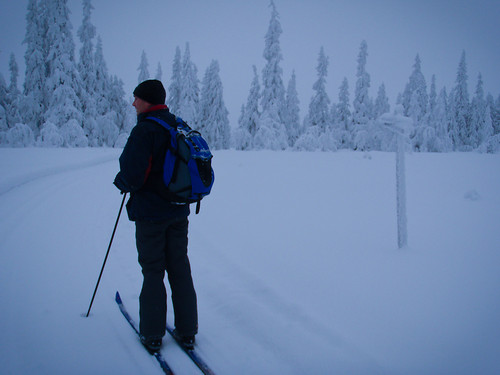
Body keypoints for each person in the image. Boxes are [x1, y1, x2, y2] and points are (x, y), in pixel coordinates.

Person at [114, 79, 198, 353]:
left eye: (136, 98)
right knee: (179, 267)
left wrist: (122, 182)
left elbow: (133, 173)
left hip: (151, 215)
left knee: (153, 271)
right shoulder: (175, 124)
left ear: (147, 101)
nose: (133, 103)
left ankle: (152, 334)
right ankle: (187, 331)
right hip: (178, 210)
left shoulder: (145, 130)